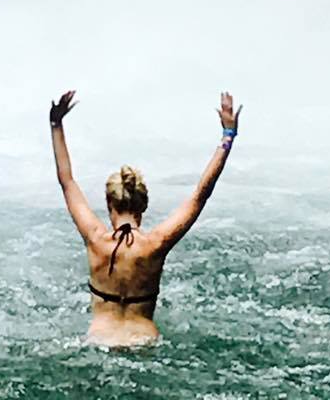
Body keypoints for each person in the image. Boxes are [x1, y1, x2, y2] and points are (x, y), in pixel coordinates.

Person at [49, 89, 242, 346]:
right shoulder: (156, 243)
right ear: (145, 204)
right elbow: (200, 195)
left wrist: (56, 124)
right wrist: (228, 135)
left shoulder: (95, 239)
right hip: (144, 342)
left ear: (109, 203)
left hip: (99, 340)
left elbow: (67, 181)